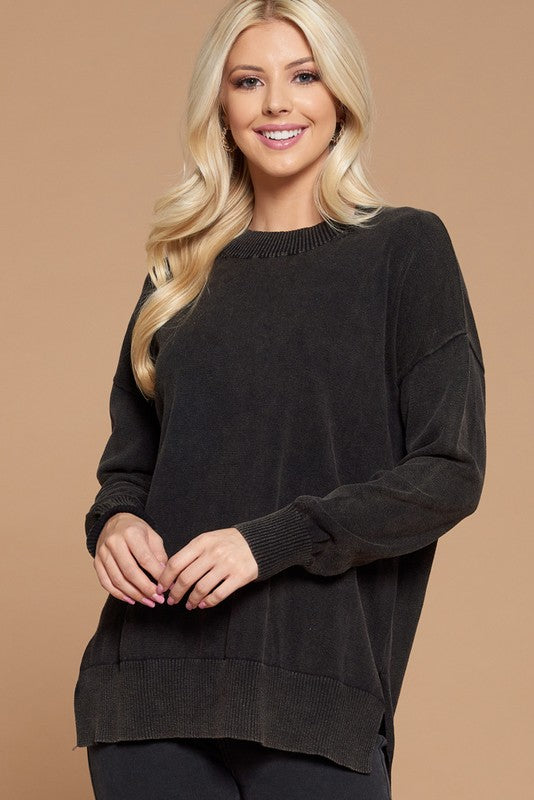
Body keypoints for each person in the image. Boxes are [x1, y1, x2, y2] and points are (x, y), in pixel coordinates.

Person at [73, 1, 486, 798]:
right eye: (247, 82)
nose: (275, 104)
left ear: (340, 98)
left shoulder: (404, 251)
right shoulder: (179, 272)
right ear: (221, 110)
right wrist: (115, 523)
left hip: (317, 694)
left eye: (303, 76)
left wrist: (267, 542)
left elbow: (448, 471)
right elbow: (129, 468)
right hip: (148, 694)